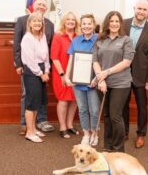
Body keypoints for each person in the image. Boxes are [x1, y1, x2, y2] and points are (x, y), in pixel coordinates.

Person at [93, 11, 135, 152]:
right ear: (107, 23)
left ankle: (118, 149)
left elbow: (126, 62)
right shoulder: (99, 40)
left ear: (120, 24)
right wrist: (101, 78)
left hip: (121, 83)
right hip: (103, 83)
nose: (114, 24)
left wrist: (106, 73)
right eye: (112, 21)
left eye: (117, 21)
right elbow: (95, 61)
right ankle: (107, 146)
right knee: (106, 115)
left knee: (115, 115)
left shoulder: (126, 40)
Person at [13, 0, 54, 135]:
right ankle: (26, 125)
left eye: (44, 4)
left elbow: (49, 48)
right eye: (39, 4)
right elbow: (17, 44)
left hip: (43, 67)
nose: (41, 6)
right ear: (33, 6)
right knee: (29, 96)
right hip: (29, 67)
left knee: (40, 97)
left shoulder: (48, 26)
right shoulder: (22, 22)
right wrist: (18, 63)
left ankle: (38, 123)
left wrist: (47, 69)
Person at [123, 0, 148, 148]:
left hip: (141, 76)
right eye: (139, 8)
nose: (141, 12)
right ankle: (124, 132)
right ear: (134, 8)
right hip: (122, 74)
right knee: (122, 105)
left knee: (142, 107)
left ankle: (140, 134)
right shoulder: (123, 24)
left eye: (144, 10)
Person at [65, 14, 100, 146]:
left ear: (93, 24)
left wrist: (98, 77)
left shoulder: (99, 40)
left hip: (93, 82)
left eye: (89, 23)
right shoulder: (76, 41)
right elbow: (71, 60)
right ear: (81, 26)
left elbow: (102, 60)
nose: (86, 26)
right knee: (82, 109)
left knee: (95, 110)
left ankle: (95, 133)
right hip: (78, 82)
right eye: (84, 24)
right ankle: (86, 133)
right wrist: (68, 76)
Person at [21, 12, 50, 143]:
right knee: (31, 103)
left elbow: (46, 56)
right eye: (35, 21)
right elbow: (29, 60)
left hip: (43, 70)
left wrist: (47, 70)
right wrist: (41, 73)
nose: (37, 23)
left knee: (38, 102)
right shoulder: (27, 38)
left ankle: (33, 128)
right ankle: (29, 132)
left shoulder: (42, 36)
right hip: (32, 72)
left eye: (40, 21)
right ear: (30, 23)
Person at [50, 12, 79, 138]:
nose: (71, 21)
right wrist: (62, 74)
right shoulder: (58, 36)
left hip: (77, 73)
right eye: (68, 19)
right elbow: (54, 57)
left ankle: (69, 125)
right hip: (61, 73)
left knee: (74, 100)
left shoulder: (79, 36)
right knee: (63, 100)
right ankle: (62, 127)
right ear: (64, 21)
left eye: (73, 20)